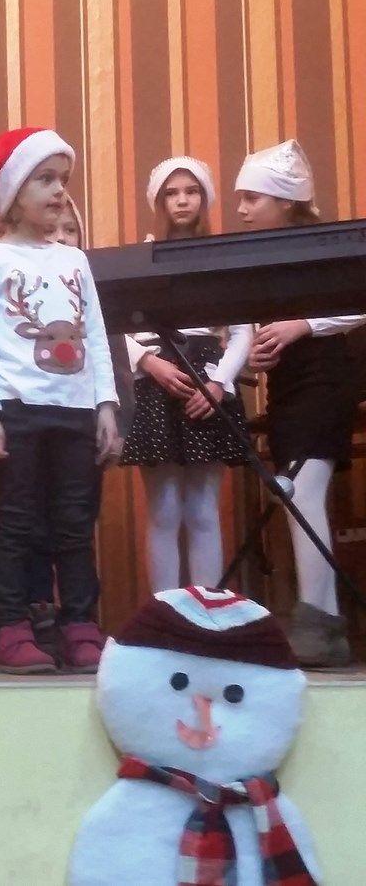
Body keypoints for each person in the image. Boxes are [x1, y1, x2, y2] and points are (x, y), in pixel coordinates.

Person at [0, 128, 121, 674]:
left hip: (75, 411)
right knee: (17, 524)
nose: (58, 191)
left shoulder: (74, 260)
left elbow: (95, 336)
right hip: (17, 411)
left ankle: (80, 625)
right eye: (45, 179)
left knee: (75, 523)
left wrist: (105, 405)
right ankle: (11, 628)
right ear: (12, 192)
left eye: (63, 180)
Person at [236, 139, 363, 667]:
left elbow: (357, 304)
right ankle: (324, 623)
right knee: (297, 494)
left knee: (301, 491)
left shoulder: (325, 245)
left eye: (252, 198)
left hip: (326, 378)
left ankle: (317, 620)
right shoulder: (261, 256)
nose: (241, 210)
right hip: (289, 385)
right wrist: (260, 353)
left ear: (286, 202)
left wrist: (303, 325)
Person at [121, 158, 251, 593]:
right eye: (172, 193)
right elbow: (115, 327)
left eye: (191, 191)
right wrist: (148, 361)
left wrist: (219, 384)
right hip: (156, 381)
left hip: (209, 380)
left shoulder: (223, 258)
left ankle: (205, 612)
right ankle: (166, 612)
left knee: (202, 509)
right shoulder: (140, 256)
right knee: (163, 510)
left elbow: (242, 331)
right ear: (159, 201)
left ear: (204, 198)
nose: (182, 200)